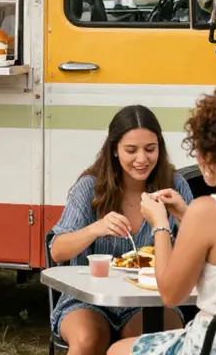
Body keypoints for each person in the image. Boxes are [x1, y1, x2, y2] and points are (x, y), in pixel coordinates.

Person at [109, 86, 216, 355]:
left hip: (213, 346)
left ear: (206, 157)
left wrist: (160, 224)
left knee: (117, 350)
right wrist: (185, 216)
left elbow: (170, 294)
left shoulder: (206, 210)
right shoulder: (205, 214)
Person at [49, 105, 194, 355]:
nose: (142, 159)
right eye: (131, 150)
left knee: (153, 340)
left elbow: (201, 249)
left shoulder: (174, 186)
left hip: (152, 300)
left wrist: (184, 215)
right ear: (115, 149)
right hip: (89, 299)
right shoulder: (90, 187)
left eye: (150, 149)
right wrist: (95, 229)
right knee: (88, 339)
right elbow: (57, 251)